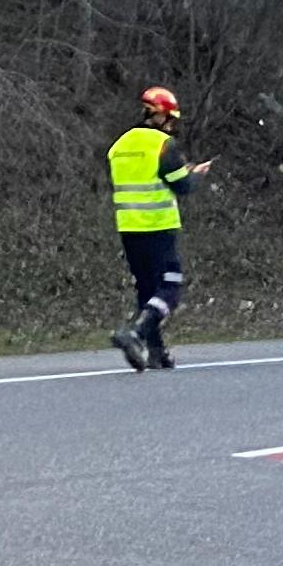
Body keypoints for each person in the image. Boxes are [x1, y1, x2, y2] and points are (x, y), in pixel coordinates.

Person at [106, 88, 211, 371]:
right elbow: (182, 186)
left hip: (129, 228)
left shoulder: (119, 145)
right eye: (171, 118)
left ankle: (156, 352)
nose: (172, 124)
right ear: (162, 115)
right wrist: (195, 175)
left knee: (146, 289)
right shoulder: (164, 145)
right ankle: (136, 333)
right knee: (170, 288)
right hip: (159, 227)